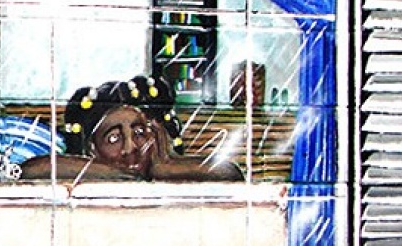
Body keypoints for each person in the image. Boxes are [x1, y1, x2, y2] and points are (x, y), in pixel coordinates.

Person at [20, 76, 243, 182]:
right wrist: (114, 173)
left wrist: (164, 167)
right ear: (93, 148)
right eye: (114, 137)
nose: (130, 147)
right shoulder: (89, 175)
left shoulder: (169, 173)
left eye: (139, 133)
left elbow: (229, 172)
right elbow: (31, 170)